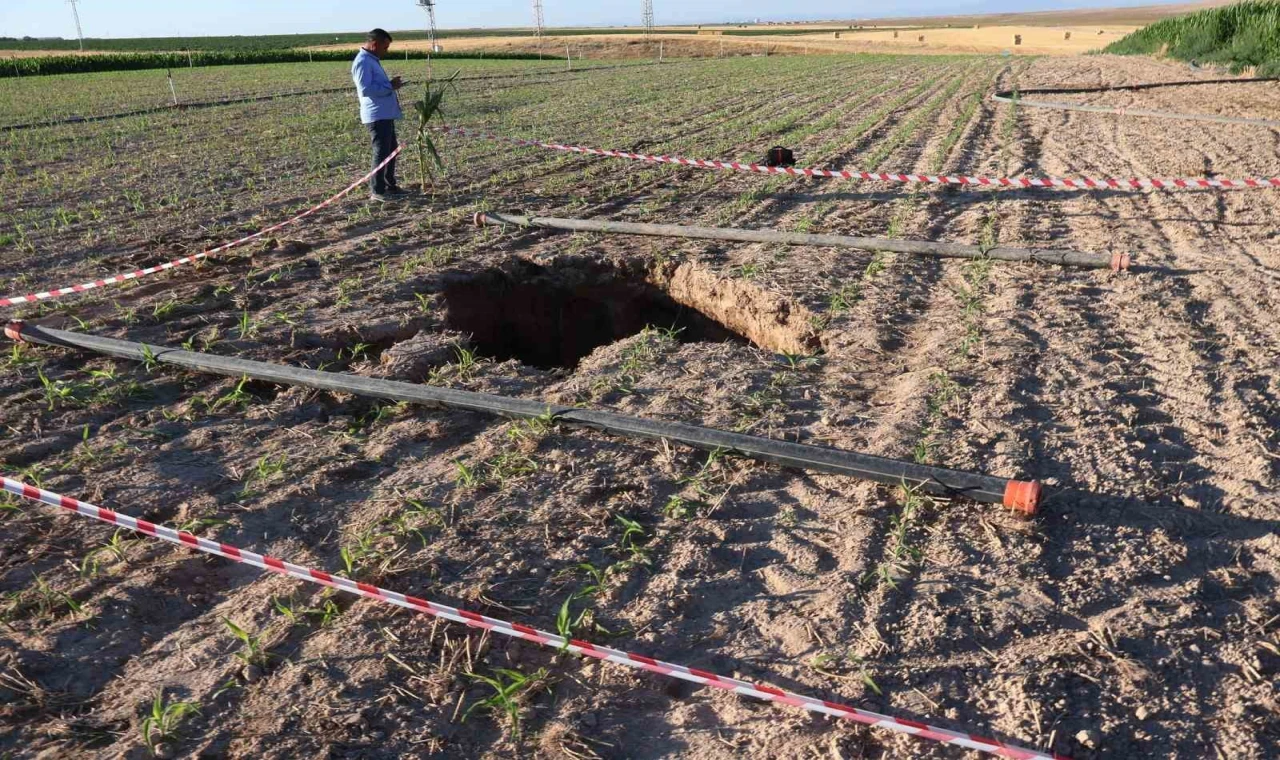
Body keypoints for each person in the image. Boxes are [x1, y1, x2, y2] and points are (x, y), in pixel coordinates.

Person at [352, 29, 406, 202]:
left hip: (385, 114)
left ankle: (390, 185)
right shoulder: (363, 62)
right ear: (375, 44)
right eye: (385, 47)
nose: (386, 51)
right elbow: (366, 89)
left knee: (391, 151)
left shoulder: (371, 60)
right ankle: (378, 191)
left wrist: (390, 86)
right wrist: (390, 86)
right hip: (376, 115)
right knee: (381, 153)